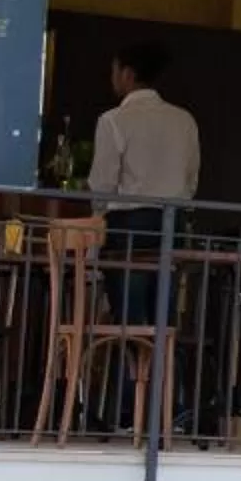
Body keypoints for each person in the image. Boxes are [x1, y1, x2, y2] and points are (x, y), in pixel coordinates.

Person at [88, 40, 200, 340]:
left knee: (128, 320)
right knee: (162, 320)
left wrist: (97, 225)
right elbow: (191, 182)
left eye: (114, 71)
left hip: (128, 228)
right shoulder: (184, 120)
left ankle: (127, 385)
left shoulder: (113, 121)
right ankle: (162, 385)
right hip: (170, 226)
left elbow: (102, 186)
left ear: (126, 74)